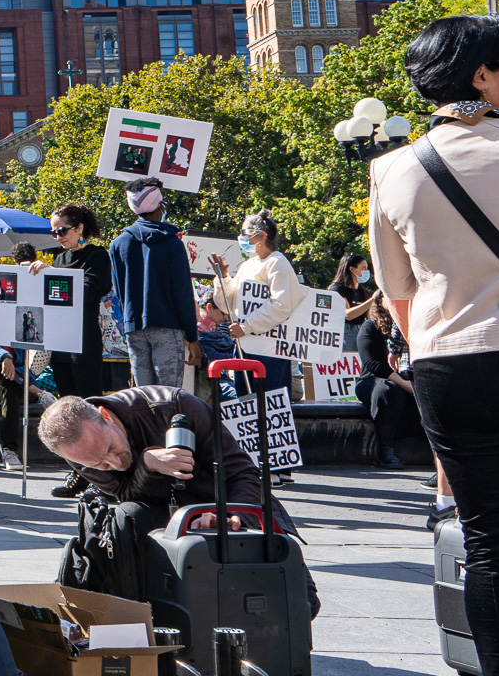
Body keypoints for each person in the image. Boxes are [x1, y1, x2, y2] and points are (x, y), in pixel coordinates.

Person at [369, 13, 499, 668]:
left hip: (449, 370)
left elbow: (397, 291)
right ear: (483, 77)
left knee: (490, 542)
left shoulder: (392, 169)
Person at [39, 388, 313, 620]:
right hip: (160, 516)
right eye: (98, 463)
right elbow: (124, 493)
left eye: (111, 448)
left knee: (302, 604)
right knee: (127, 516)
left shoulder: (172, 405)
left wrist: (233, 515)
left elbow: (241, 472)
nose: (114, 463)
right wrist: (148, 463)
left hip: (229, 503)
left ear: (105, 416)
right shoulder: (76, 450)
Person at [205, 210, 308, 486]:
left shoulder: (277, 263)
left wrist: (247, 325)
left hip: (269, 346)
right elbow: (227, 302)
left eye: (245, 233)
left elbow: (282, 305)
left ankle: (275, 465)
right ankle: (265, 462)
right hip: (246, 344)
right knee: (249, 401)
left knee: (270, 400)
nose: (241, 238)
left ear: (261, 236)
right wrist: (223, 277)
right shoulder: (249, 265)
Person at [107, 178, 198, 389]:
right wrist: (192, 337)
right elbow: (183, 294)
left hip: (134, 328)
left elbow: (120, 292)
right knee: (168, 395)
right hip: (167, 327)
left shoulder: (118, 244)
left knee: (145, 397)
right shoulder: (172, 243)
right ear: (160, 206)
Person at [30, 204, 112, 403]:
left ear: (79, 228)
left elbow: (88, 291)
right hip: (59, 343)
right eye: (54, 233)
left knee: (90, 402)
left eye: (62, 231)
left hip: (84, 341)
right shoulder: (60, 259)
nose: (58, 237)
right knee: (67, 403)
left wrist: (53, 274)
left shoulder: (97, 256)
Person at [355, 296, 421, 469]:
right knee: (388, 391)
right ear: (380, 301)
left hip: (406, 376)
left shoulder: (411, 323)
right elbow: (372, 363)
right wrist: (403, 383)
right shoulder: (370, 326)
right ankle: (385, 451)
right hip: (373, 380)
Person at [330, 252, 375, 358]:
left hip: (362, 330)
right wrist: (371, 300)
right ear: (352, 269)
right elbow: (347, 314)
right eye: (363, 268)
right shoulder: (337, 289)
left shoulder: (364, 292)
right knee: (347, 364)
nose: (366, 272)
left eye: (367, 268)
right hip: (346, 331)